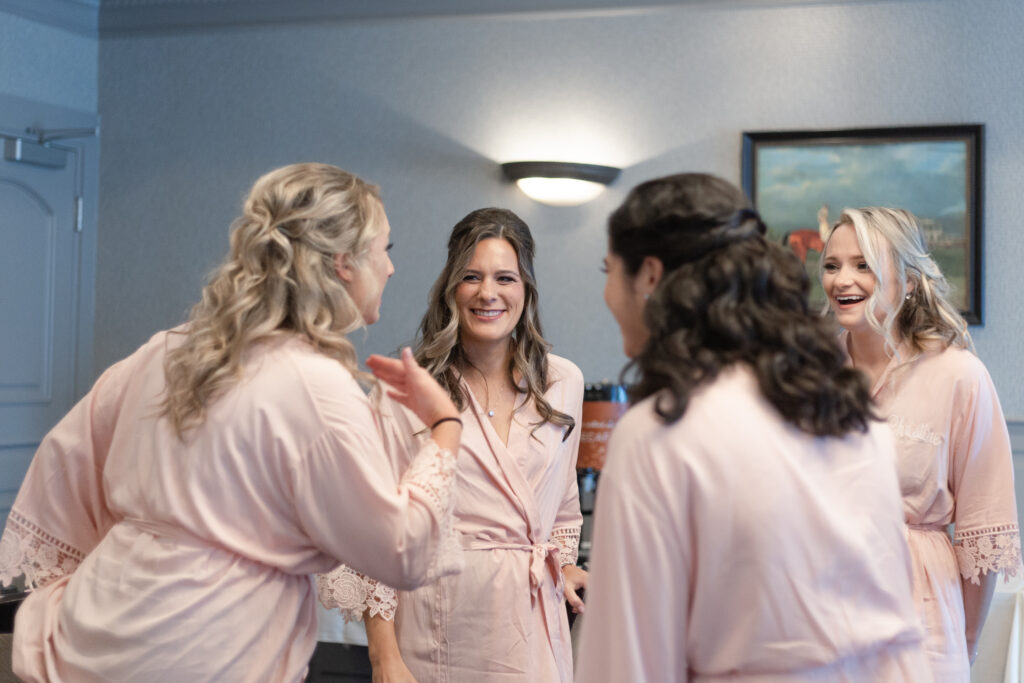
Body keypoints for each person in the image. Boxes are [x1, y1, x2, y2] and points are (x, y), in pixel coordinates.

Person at [0, 162, 465, 682]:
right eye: (386, 249)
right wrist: (443, 424)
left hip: (103, 627)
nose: (392, 268)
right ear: (342, 264)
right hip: (210, 645)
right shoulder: (314, 385)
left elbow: (68, 460)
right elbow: (401, 550)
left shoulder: (171, 349)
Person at [576, 173, 931, 682]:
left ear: (650, 276)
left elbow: (628, 662)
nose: (608, 294)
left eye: (609, 271)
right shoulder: (845, 409)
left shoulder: (661, 432)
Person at [318, 207, 586, 682]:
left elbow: (561, 508)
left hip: (533, 628)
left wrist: (563, 566)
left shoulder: (563, 382)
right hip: (439, 628)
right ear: (451, 288)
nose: (488, 293)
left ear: (526, 289)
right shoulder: (407, 389)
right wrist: (385, 657)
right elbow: (374, 531)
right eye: (471, 277)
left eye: (505, 277)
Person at [819, 207, 1020, 680]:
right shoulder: (804, 369)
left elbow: (982, 534)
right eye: (831, 265)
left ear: (908, 281)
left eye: (864, 264)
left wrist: (962, 641)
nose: (842, 279)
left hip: (918, 621)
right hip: (814, 613)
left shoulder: (959, 376)